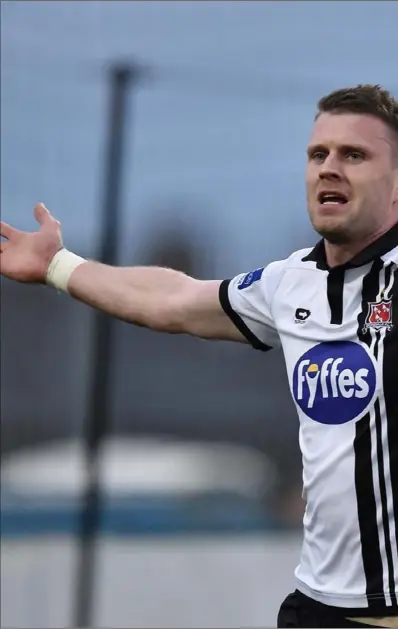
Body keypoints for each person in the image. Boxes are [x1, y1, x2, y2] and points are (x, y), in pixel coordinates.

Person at [1, 84, 397, 628]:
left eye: (355, 155)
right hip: (318, 605)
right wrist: (58, 267)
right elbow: (176, 300)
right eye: (318, 154)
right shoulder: (290, 285)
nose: (329, 168)